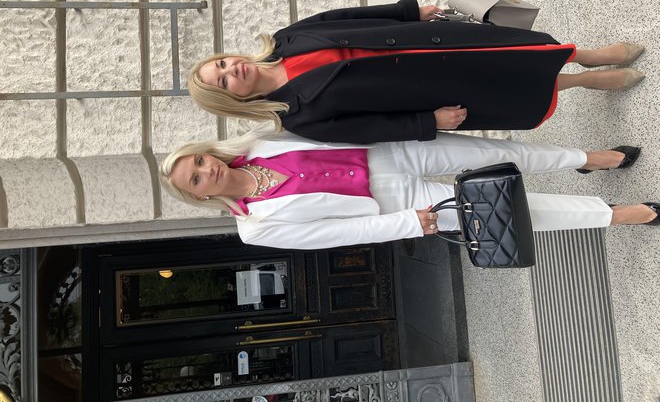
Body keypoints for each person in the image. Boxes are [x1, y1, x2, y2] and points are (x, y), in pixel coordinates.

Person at [187, 0, 645, 143]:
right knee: (506, 84)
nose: (231, 70)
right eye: (223, 81)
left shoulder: (286, 39)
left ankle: (590, 56)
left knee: (511, 51)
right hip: (423, 87)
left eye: (221, 63)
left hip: (427, 42)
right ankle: (586, 81)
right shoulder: (297, 117)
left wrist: (408, 11)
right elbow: (368, 130)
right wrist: (427, 122)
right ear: (232, 99)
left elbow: (345, 17)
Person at [159, 130, 657, 250]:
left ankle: (588, 159)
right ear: (199, 196)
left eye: (199, 160)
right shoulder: (256, 227)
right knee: (506, 211)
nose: (206, 171)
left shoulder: (259, 143)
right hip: (395, 205)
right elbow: (334, 235)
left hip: (389, 154)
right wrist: (404, 225)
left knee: (498, 152)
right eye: (195, 179)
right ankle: (616, 214)